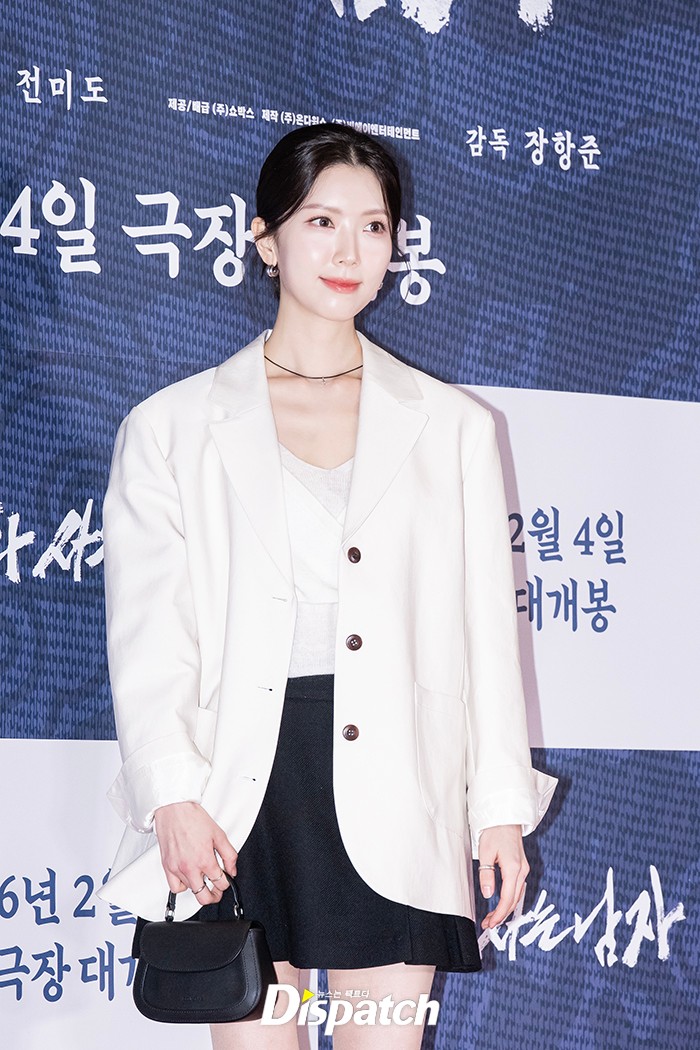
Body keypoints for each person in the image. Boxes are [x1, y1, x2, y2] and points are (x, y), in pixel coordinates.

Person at [97, 124, 557, 1049]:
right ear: (265, 238)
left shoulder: (452, 429)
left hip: (401, 786)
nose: (350, 251)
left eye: (374, 227)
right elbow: (150, 635)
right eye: (321, 222)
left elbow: (485, 635)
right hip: (240, 792)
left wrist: (500, 808)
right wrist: (171, 795)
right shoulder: (171, 428)